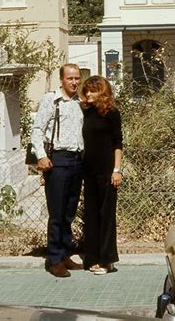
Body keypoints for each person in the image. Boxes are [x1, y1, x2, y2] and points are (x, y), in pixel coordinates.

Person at [31, 63, 84, 278]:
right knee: (57, 211)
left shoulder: (81, 103)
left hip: (77, 160)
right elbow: (37, 130)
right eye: (70, 78)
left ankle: (64, 253)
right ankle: (54, 259)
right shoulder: (51, 101)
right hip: (58, 160)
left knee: (69, 210)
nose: (74, 82)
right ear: (61, 80)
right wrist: (41, 156)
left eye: (77, 78)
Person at [80, 75, 123, 274]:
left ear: (102, 92)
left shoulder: (112, 114)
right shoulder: (86, 112)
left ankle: (107, 260)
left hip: (107, 172)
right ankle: (93, 257)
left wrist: (117, 170)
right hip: (88, 171)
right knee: (91, 215)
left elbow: (118, 144)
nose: (88, 94)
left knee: (106, 216)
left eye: (93, 90)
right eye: (87, 90)